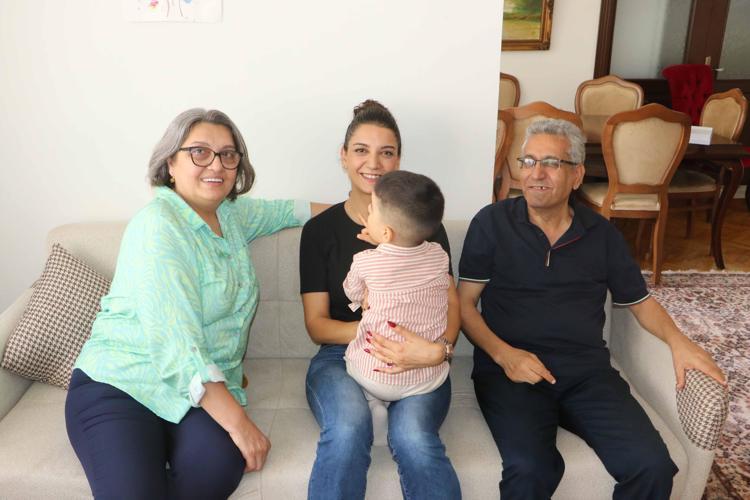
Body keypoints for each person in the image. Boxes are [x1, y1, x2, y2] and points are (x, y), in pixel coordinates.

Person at [65, 108, 328, 499]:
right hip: (123, 384)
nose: (216, 165)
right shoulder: (158, 225)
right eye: (199, 152)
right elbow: (177, 346)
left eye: (228, 154)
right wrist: (240, 424)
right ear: (170, 163)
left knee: (220, 466)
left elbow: (292, 211)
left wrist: (367, 214)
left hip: (193, 399)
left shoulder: (231, 215)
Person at [457, 119, 726, 500]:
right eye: (528, 161)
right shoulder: (492, 223)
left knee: (651, 466)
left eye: (551, 163)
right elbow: (464, 304)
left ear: (577, 175)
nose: (536, 173)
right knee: (532, 469)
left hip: (586, 373)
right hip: (511, 372)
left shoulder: (602, 235)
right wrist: (504, 355)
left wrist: (679, 342)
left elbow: (640, 302)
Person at [300, 100, 461, 499]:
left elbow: (451, 303)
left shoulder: (423, 225)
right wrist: (378, 334)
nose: (373, 163)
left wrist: (438, 350)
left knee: (414, 439)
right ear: (343, 156)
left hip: (422, 357)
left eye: (386, 152)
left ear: (398, 161)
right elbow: (317, 325)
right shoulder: (320, 231)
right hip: (340, 355)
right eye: (361, 150)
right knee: (348, 428)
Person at [343, 170, 452, 403]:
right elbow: (408, 262)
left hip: (375, 375)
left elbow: (352, 291)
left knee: (350, 359)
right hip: (428, 378)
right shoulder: (440, 256)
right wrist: (386, 243)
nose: (368, 210)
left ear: (385, 232)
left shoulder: (365, 261)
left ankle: (373, 402)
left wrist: (365, 290)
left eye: (372, 209)